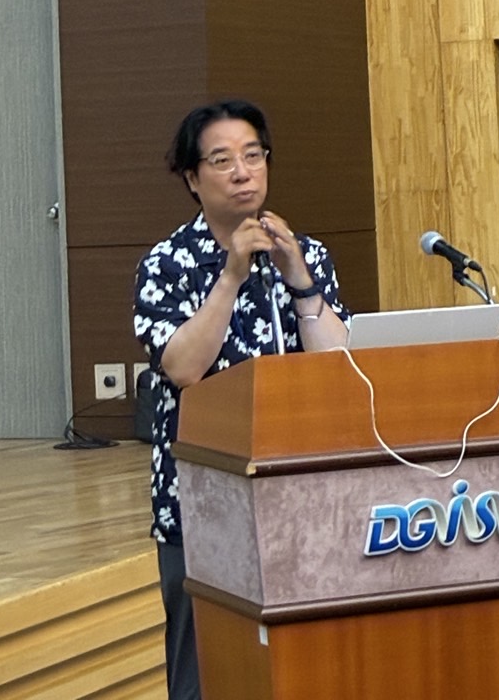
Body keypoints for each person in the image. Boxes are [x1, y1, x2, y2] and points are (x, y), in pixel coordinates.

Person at [133, 99, 350, 700]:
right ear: (192, 177)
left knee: (305, 655)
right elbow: (183, 369)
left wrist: (300, 281)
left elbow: (339, 366)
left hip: (298, 489)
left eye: (253, 156)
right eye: (223, 160)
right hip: (202, 494)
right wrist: (230, 276)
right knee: (203, 665)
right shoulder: (168, 264)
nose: (242, 172)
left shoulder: (305, 254)